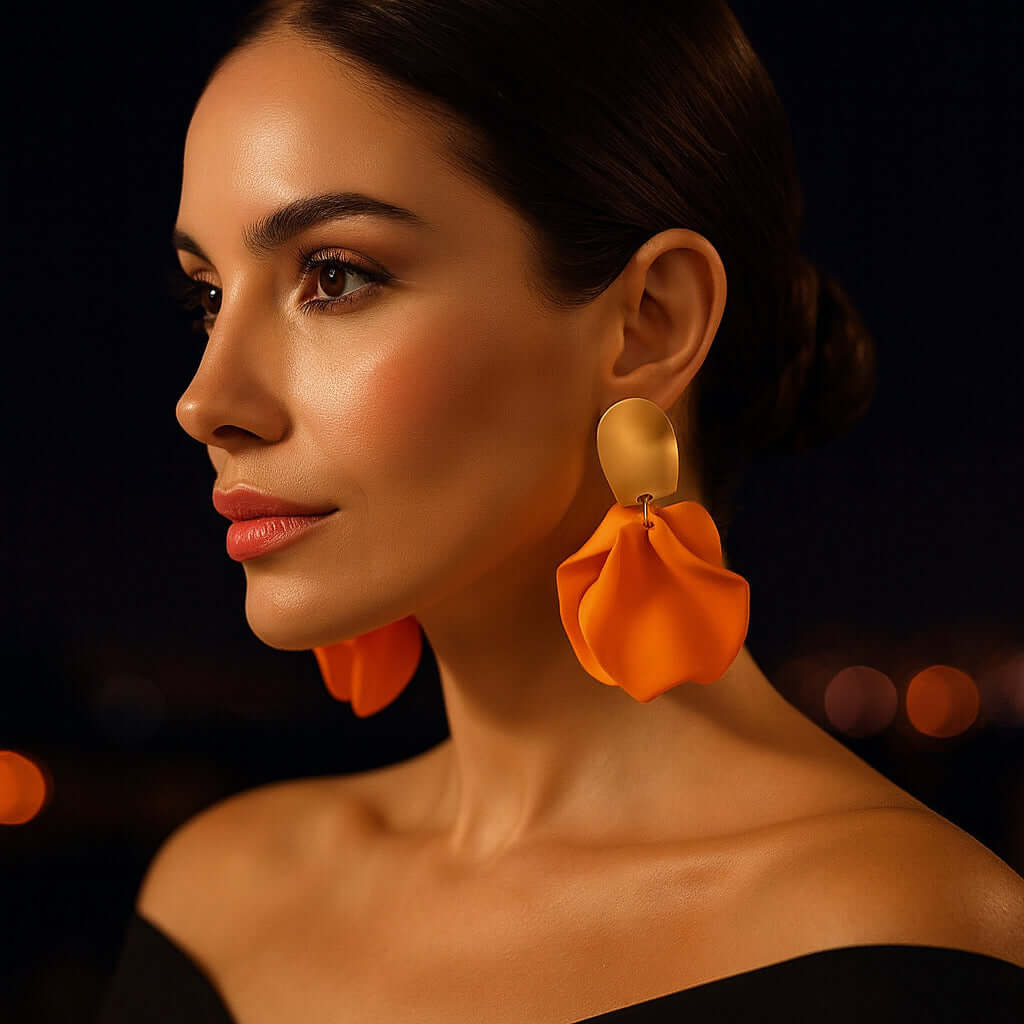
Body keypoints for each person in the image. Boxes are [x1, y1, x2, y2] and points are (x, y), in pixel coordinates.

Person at [98, 1, 1023, 1020]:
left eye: (332, 276)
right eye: (208, 298)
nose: (204, 401)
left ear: (648, 323)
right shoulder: (213, 897)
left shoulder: (910, 939)